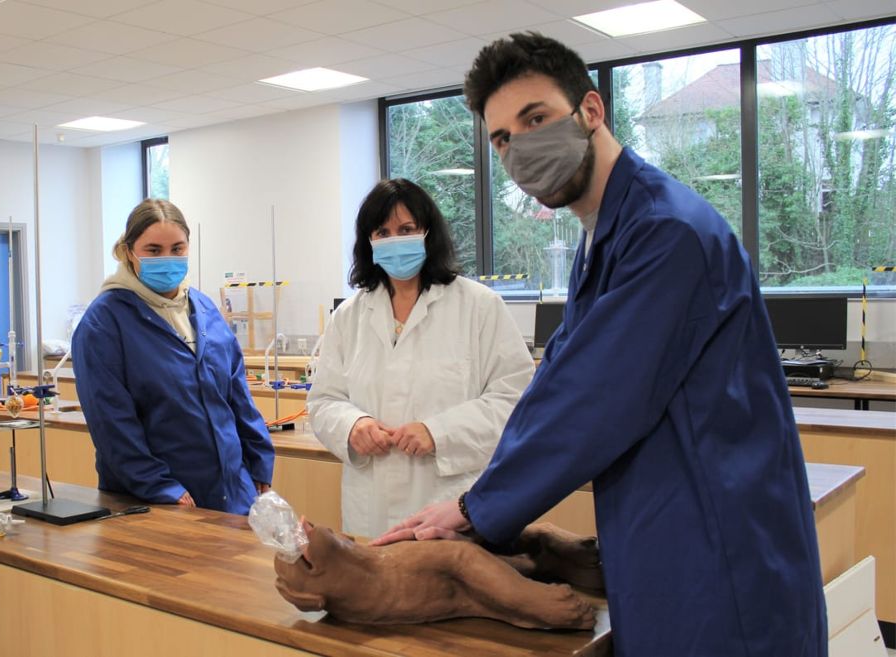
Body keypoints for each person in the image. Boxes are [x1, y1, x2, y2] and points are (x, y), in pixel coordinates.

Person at [374, 33, 826, 656]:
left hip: (719, 545)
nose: (521, 149)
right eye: (502, 139)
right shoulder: (607, 234)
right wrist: (482, 500)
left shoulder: (666, 233)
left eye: (535, 119)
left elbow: (594, 399)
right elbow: (559, 374)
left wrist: (480, 509)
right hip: (664, 532)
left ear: (591, 111)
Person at [308, 179, 534, 538]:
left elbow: (516, 400)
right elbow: (323, 400)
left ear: (428, 232)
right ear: (369, 242)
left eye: (406, 229)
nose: (394, 240)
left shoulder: (479, 306)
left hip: (447, 499)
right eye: (382, 231)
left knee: (449, 589)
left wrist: (439, 432)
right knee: (376, 590)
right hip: (371, 503)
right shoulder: (349, 317)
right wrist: (353, 426)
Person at [72, 199, 274, 515]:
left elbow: (237, 395)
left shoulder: (204, 309)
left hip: (231, 490)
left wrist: (259, 458)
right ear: (128, 251)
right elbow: (112, 423)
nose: (167, 259)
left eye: (177, 249)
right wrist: (158, 486)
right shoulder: (105, 323)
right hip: (157, 499)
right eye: (153, 250)